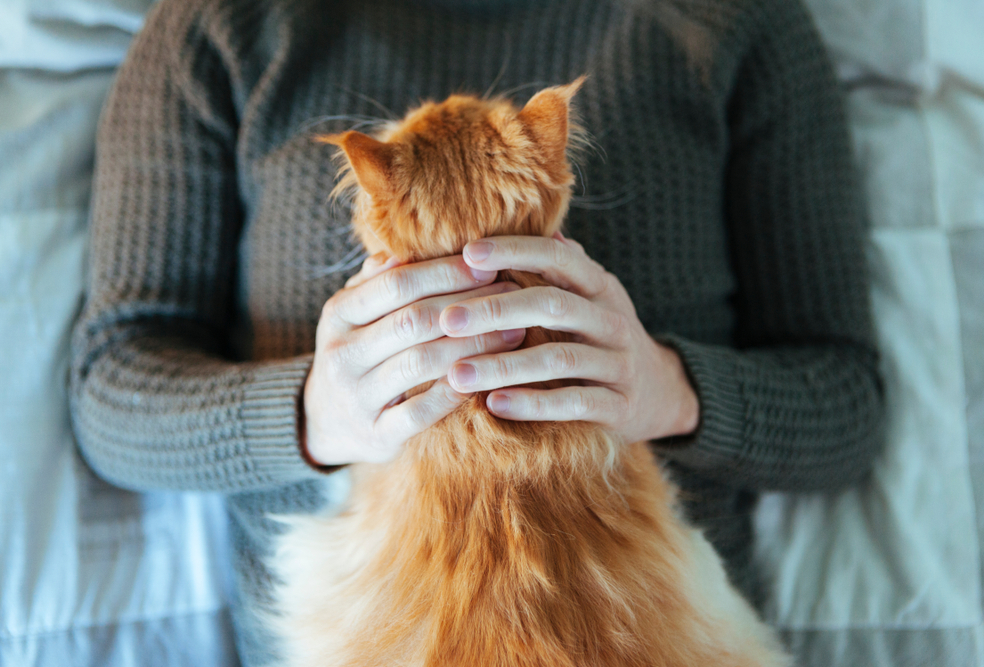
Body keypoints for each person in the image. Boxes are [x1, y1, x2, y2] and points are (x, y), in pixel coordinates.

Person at [70, 0, 885, 663]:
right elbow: (112, 394)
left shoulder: (732, 20)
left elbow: (849, 412)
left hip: (650, 635)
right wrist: (313, 414)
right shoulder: (220, 25)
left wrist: (666, 390)